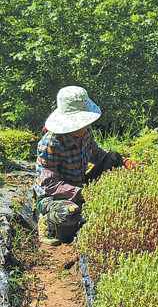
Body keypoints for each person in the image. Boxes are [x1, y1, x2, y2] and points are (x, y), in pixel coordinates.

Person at [34, 86, 136, 246]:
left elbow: (96, 153)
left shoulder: (86, 132)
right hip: (54, 197)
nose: (85, 126)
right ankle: (46, 221)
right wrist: (84, 193)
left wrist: (124, 163)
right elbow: (49, 184)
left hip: (80, 184)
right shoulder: (50, 143)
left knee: (114, 157)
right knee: (71, 214)